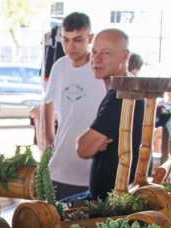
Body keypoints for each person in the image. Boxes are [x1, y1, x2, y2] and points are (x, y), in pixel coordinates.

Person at [40, 12, 105, 200]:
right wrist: (49, 133)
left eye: (77, 40)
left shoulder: (100, 70)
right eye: (66, 40)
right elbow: (47, 100)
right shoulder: (59, 66)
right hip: (57, 166)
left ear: (90, 38)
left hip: (88, 170)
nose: (70, 46)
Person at [76, 29, 145, 200]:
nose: (96, 59)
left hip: (111, 205)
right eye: (94, 52)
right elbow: (86, 145)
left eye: (105, 53)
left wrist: (88, 141)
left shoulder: (122, 95)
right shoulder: (120, 88)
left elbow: (83, 149)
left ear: (124, 56)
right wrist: (91, 140)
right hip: (103, 197)